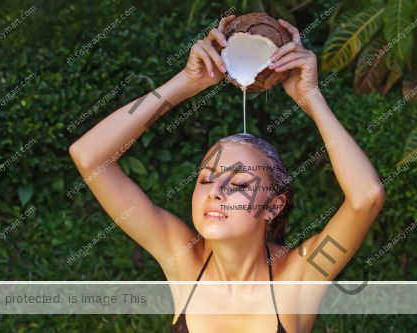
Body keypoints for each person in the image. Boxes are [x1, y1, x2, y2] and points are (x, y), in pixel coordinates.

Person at [69, 14, 386, 333]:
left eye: (239, 184)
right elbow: (89, 157)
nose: (215, 191)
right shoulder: (182, 259)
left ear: (273, 206)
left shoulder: (299, 277)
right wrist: (186, 83)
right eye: (206, 178)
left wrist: (311, 97)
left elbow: (366, 198)